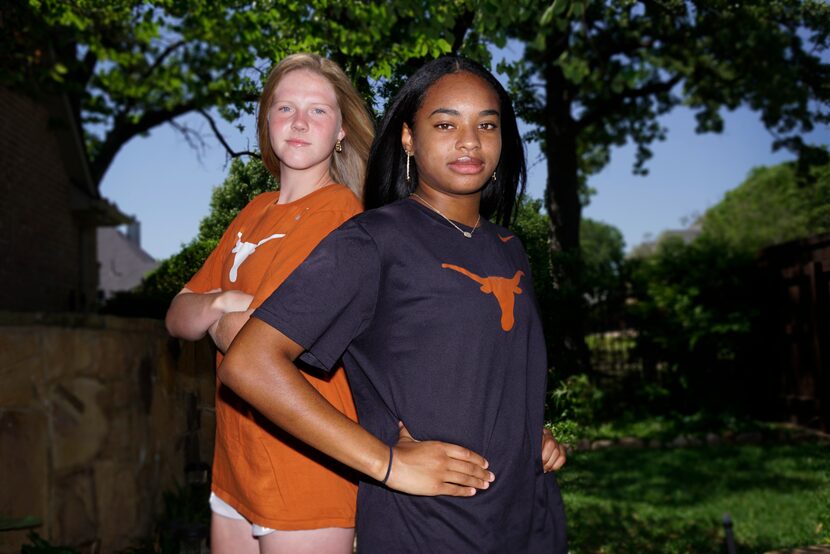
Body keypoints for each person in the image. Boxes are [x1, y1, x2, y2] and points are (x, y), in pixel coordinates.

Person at [219, 55, 568, 552]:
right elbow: (250, 364)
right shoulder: (372, 241)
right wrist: (386, 461)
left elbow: (490, 370)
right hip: (425, 529)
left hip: (526, 520)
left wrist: (528, 429)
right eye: (445, 123)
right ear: (408, 138)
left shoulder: (511, 249)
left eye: (486, 125)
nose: (469, 141)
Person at [165, 53, 376, 554]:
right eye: (285, 108)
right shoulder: (252, 213)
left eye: (318, 110)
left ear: (342, 130)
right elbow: (177, 315)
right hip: (235, 469)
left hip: (305, 471)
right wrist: (221, 304)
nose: (300, 122)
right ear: (267, 121)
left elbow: (257, 341)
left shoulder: (343, 217)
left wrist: (216, 313)